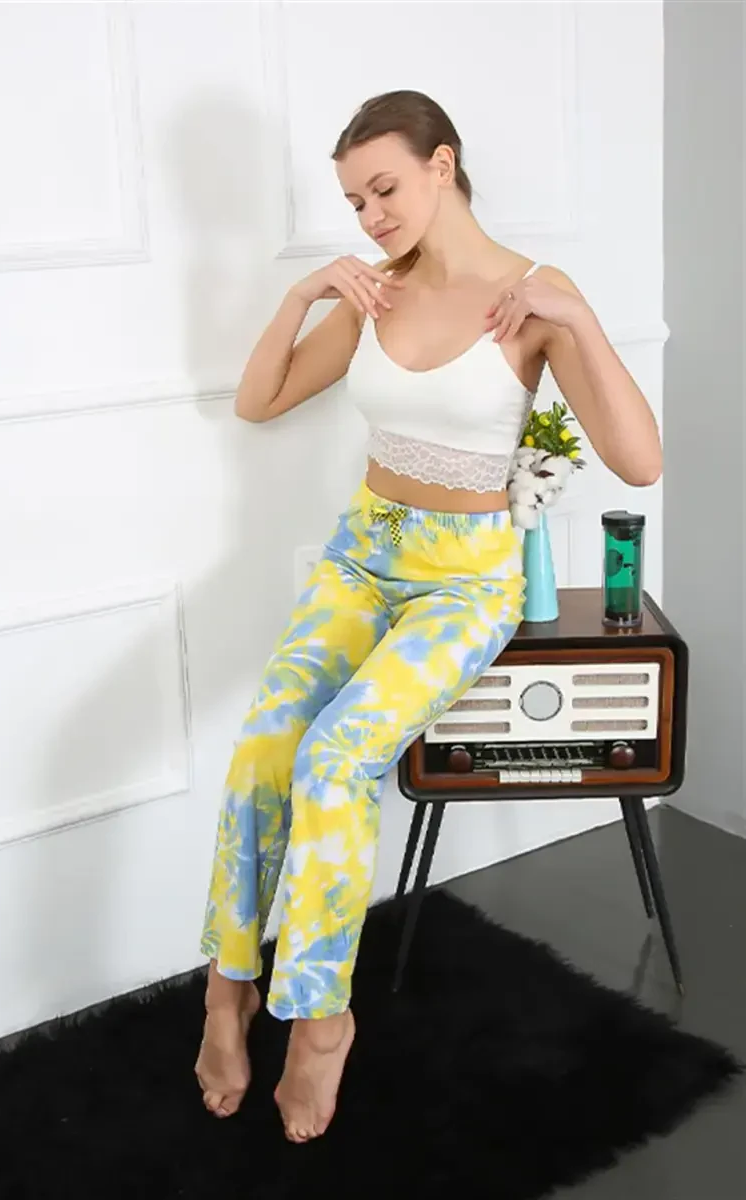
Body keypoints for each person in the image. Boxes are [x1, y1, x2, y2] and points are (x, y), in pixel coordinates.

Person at [194, 89, 663, 1144]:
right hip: (362, 557)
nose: (371, 217)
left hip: (464, 581)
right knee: (265, 745)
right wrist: (307, 293)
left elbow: (641, 461)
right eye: (355, 202)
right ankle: (228, 987)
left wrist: (580, 319)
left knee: (334, 758)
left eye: (384, 189)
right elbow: (259, 400)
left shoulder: (531, 299)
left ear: (442, 164)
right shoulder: (375, 291)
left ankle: (319, 1019)